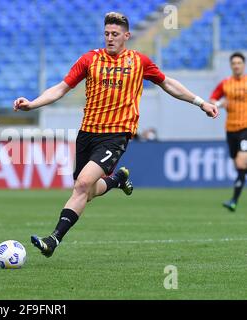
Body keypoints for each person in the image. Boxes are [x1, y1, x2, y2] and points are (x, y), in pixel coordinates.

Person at [14, 12, 219, 258]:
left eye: (115, 34)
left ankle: (53, 240)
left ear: (126, 36)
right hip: (87, 132)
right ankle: (116, 181)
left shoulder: (139, 62)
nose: (110, 38)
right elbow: (61, 88)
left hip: (116, 135)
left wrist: (201, 102)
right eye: (107, 34)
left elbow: (168, 83)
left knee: (82, 184)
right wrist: (33, 103)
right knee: (85, 191)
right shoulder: (90, 59)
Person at [210, 52, 247, 212]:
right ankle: (233, 201)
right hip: (230, 130)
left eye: (239, 63)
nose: (237, 65)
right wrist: (219, 103)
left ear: (243, 65)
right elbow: (212, 100)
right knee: (239, 167)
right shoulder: (225, 84)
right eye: (234, 63)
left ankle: (233, 200)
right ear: (231, 65)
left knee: (241, 162)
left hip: (245, 128)